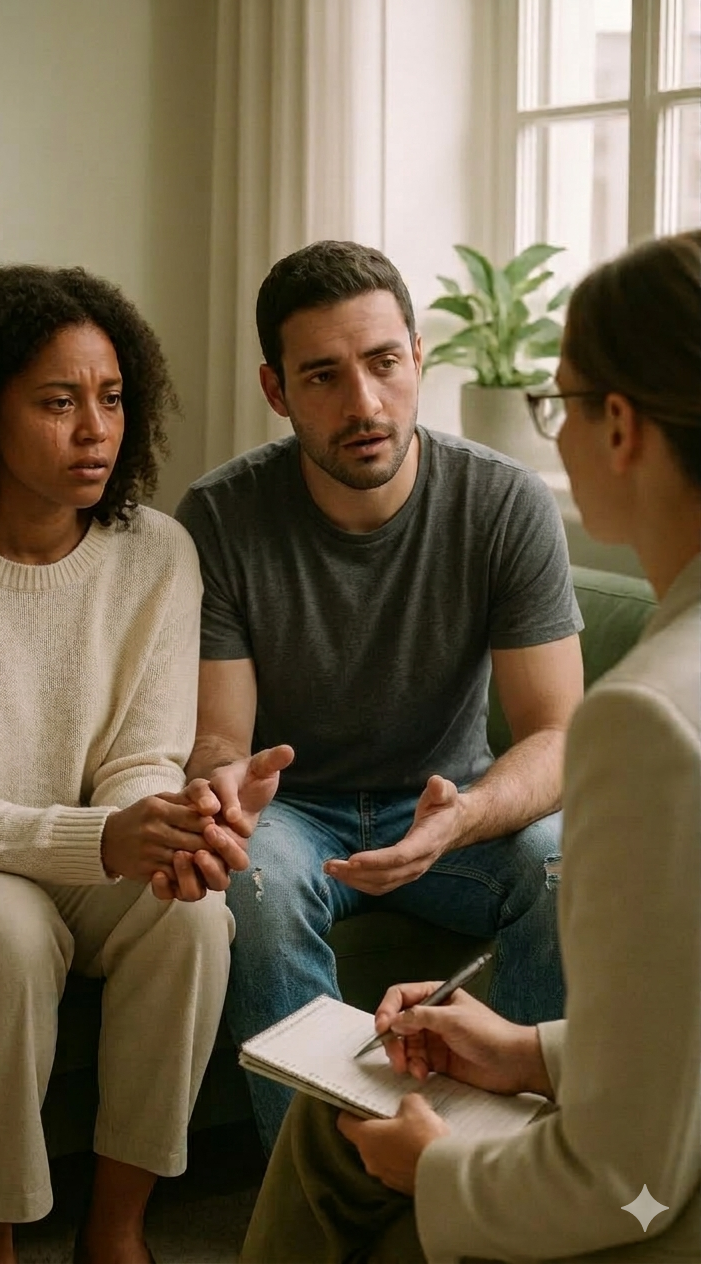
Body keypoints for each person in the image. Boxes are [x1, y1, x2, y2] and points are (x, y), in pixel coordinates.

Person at [241, 229, 701, 1263]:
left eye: (559, 402)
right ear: (278, 389)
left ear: (617, 425)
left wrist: (437, 1169)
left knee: (343, 1130)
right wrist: (532, 1051)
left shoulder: (647, 721)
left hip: (649, 1214)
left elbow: (630, 1186)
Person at [0, 264, 260, 1264]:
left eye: (113, 398)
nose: (96, 428)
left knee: (192, 911)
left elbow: (135, 752)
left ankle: (114, 1232)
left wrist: (167, 823)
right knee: (6, 930)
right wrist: (102, 836)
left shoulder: (157, 552)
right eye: (58, 401)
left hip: (65, 844)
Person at [175, 239, 584, 1149]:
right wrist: (222, 786)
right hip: (296, 812)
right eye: (321, 376)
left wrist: (465, 815)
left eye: (383, 363)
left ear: (417, 358)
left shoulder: (504, 502)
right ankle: (322, 1202)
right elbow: (219, 739)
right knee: (255, 883)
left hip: (446, 803)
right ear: (276, 391)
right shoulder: (220, 516)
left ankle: (503, 1169)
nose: (363, 403)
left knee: (562, 856)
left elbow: (558, 735)